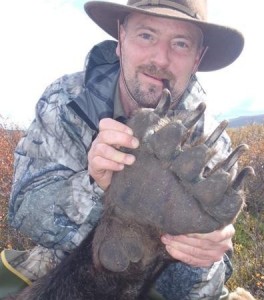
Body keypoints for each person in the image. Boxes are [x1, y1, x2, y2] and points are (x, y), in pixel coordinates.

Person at [6, 0, 244, 299]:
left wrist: (201, 256)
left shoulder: (208, 145)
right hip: (64, 262)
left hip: (154, 282)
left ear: (198, 58)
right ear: (121, 39)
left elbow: (194, 290)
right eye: (146, 35)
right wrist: (95, 186)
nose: (160, 58)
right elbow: (25, 211)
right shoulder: (68, 100)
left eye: (181, 44)